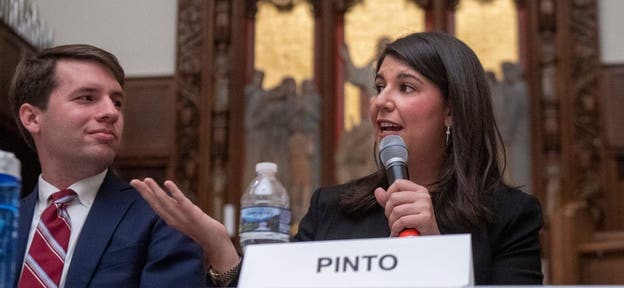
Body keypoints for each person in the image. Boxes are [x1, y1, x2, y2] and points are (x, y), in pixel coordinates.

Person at [131, 32, 543, 285]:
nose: (381, 101)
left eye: (406, 87)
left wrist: (434, 248)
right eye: (379, 86)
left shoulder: (510, 217)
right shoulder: (332, 208)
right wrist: (220, 247)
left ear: (452, 109)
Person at [9, 44, 204, 287]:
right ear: (32, 118)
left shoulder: (162, 215)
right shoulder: (7, 220)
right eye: (87, 98)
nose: (111, 112)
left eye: (117, 102)